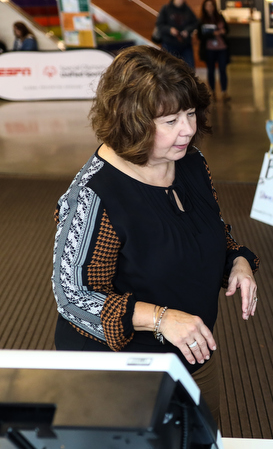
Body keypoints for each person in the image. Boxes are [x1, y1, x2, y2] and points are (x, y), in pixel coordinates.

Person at [51, 45, 259, 421]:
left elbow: (204, 229)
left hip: (192, 353)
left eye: (191, 114)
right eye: (171, 121)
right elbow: (73, 296)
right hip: (121, 371)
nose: (189, 129)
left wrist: (237, 260)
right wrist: (162, 318)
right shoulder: (95, 193)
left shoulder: (190, 162)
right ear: (131, 121)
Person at [198, 0, 230, 101]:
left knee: (222, 70)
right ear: (204, 7)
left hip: (221, 47)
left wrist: (223, 32)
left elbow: (227, 29)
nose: (209, 7)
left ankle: (224, 91)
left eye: (211, 5)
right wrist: (212, 34)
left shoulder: (220, 17)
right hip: (209, 48)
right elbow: (199, 36)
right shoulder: (202, 20)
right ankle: (212, 92)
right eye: (207, 5)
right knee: (211, 70)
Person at [156, 0, 198, 68]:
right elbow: (159, 24)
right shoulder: (166, 8)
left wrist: (187, 30)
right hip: (169, 45)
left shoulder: (187, 9)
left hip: (185, 45)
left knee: (190, 69)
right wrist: (170, 29)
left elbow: (195, 23)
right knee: (169, 69)